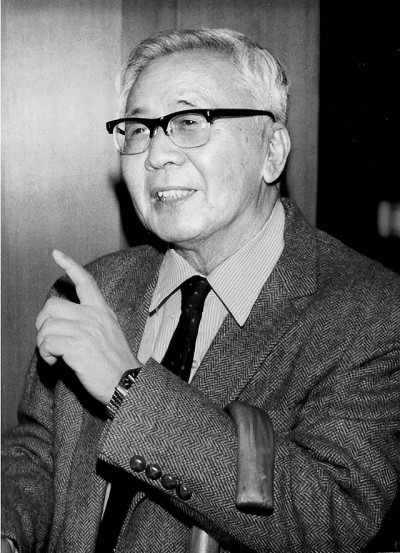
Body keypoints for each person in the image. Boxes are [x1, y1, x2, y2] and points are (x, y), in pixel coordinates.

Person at [2, 27, 400, 553]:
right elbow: (37, 451)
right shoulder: (96, 287)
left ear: (271, 151)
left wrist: (127, 389)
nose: (156, 154)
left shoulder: (370, 311)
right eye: (139, 129)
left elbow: (329, 519)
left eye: (189, 122)